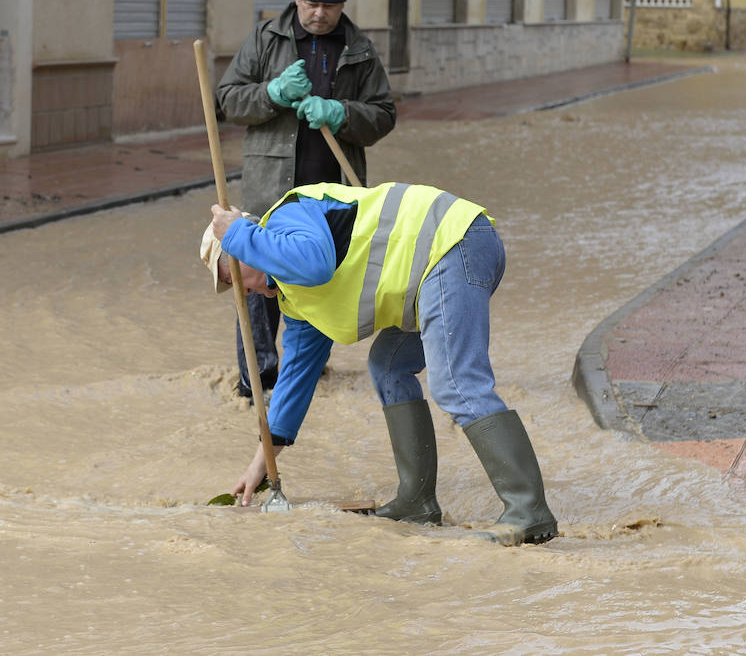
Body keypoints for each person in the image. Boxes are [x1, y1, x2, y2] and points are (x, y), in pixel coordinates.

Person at [199, 181, 558, 546]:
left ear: (246, 245)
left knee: (455, 382)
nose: (240, 292)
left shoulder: (287, 218)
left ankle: (527, 510)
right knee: (388, 364)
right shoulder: (295, 302)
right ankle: (417, 501)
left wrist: (237, 233)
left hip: (454, 243)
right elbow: (296, 379)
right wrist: (261, 463)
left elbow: (315, 263)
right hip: (438, 268)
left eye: (232, 276)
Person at [215, 0, 396, 400]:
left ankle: (307, 370)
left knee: (319, 279)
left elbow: (384, 115)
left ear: (343, 6)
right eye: (312, 4)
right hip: (270, 188)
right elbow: (227, 99)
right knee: (258, 280)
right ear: (297, 0)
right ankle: (256, 379)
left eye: (330, 6)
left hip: (331, 196)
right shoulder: (265, 39)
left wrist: (343, 113)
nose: (319, 13)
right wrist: (272, 93)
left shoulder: (361, 50)